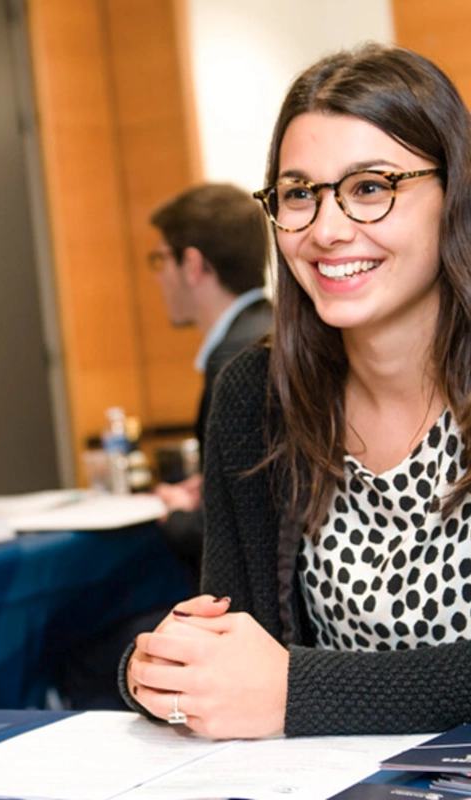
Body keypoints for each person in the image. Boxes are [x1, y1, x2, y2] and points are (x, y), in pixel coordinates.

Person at [122, 42, 471, 739]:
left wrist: (298, 689)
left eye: (370, 187)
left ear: (455, 194)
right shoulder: (255, 396)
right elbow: (229, 635)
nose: (328, 229)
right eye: (300, 194)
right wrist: (162, 671)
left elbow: (276, 684)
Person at [147, 184, 271, 570]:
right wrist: (211, 487)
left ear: (194, 264)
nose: (158, 277)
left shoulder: (237, 360)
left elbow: (237, 531)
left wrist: (177, 516)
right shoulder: (270, 329)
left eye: (161, 259)